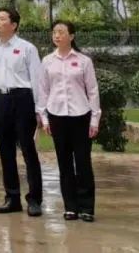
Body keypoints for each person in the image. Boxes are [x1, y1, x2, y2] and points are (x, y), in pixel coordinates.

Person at [0, 6, 44, 217]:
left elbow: (37, 80)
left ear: (14, 24)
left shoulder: (27, 48)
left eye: (1, 19)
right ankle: (12, 197)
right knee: (5, 151)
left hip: (22, 99)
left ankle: (34, 199)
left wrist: (39, 110)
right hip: (0, 100)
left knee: (28, 150)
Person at [37, 20, 100, 222]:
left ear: (71, 36)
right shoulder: (47, 61)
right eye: (54, 32)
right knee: (64, 164)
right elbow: (43, 91)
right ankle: (70, 207)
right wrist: (45, 118)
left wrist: (94, 120)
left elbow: (92, 90)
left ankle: (87, 207)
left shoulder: (84, 61)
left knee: (83, 163)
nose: (57, 35)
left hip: (81, 116)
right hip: (57, 117)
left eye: (61, 32)